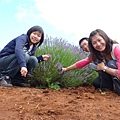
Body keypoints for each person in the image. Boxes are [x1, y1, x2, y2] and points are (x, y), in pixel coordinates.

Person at [88, 29, 120, 94]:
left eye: (99, 40)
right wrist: (66, 69)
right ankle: (109, 89)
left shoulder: (117, 49)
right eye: (94, 43)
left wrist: (104, 68)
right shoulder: (99, 53)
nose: (98, 44)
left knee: (111, 64)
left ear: (104, 38)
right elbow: (83, 62)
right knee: (96, 83)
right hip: (114, 73)